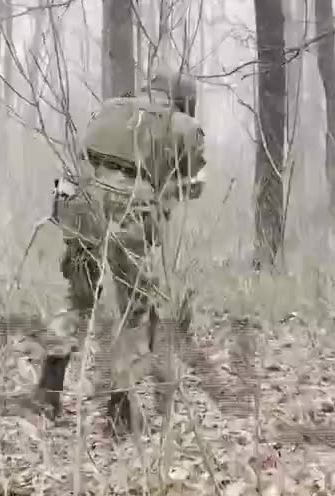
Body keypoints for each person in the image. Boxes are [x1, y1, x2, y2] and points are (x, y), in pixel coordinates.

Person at [36, 67, 207, 434]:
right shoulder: (183, 125)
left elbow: (80, 156)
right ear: (183, 100)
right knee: (135, 311)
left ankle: (48, 389)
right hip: (131, 207)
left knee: (78, 297)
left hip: (80, 198)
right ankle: (120, 409)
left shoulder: (112, 107)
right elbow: (192, 185)